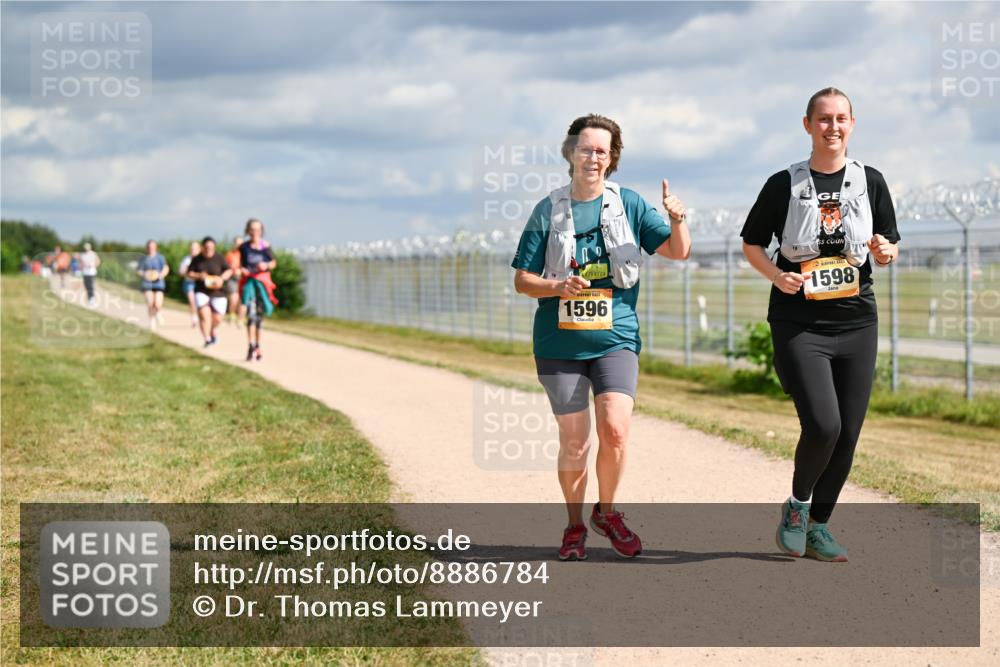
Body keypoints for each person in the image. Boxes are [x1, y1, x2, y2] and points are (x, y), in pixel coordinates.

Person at [511, 114, 691, 560]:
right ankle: (574, 526)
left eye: (602, 150)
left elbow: (677, 251)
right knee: (575, 441)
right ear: (570, 152)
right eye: (586, 148)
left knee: (615, 430)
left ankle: (606, 511)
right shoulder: (547, 210)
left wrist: (677, 219)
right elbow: (522, 279)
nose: (593, 157)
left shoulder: (628, 204)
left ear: (612, 159)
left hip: (616, 338)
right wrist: (556, 287)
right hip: (560, 343)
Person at [740, 87, 900, 563]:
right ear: (807, 125)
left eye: (842, 119)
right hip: (799, 321)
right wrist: (776, 275)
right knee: (823, 424)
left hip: (856, 321)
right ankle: (797, 506)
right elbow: (751, 243)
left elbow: (889, 242)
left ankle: (819, 528)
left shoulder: (870, 180)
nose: (833, 127)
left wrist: (887, 252)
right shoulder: (783, 184)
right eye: (824, 119)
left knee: (849, 433)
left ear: (853, 124)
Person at [239, 218, 278, 361]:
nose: (255, 232)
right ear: (248, 231)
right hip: (249, 284)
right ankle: (250, 344)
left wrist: (266, 266)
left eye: (258, 229)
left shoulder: (265, 246)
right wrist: (243, 270)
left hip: (262, 284)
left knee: (260, 318)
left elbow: (273, 263)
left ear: (261, 231)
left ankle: (258, 345)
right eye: (252, 229)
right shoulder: (244, 247)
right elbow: (241, 265)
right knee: (251, 315)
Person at [187, 236, 233, 347]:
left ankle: (212, 330)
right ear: (203, 247)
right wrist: (199, 276)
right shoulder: (197, 259)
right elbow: (189, 273)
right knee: (204, 315)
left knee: (218, 317)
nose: (208, 249)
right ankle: (207, 339)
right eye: (206, 247)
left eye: (211, 247)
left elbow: (229, 270)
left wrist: (221, 278)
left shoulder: (220, 258)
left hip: (218, 291)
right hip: (201, 290)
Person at [137, 240, 169, 329]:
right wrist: (144, 274)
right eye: (149, 247)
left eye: (152, 246)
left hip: (158, 283)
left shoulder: (160, 258)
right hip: (147, 284)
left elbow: (166, 268)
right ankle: (152, 320)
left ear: (155, 247)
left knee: (157, 304)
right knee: (150, 303)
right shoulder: (143, 258)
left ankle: (157, 312)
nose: (151, 248)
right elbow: (139, 270)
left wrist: (161, 275)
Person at [179, 241, 202, 327]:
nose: (193, 250)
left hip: (200, 283)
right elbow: (181, 271)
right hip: (189, 282)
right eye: (192, 249)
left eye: (195, 249)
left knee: (200, 302)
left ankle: (201, 317)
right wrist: (188, 273)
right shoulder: (187, 259)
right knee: (192, 300)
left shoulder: (202, 259)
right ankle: (194, 317)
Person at [225, 237, 244, 326]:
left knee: (242, 300)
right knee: (233, 299)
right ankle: (232, 314)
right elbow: (225, 267)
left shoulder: (245, 255)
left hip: (243, 279)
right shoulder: (230, 254)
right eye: (237, 243)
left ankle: (240, 318)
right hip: (232, 279)